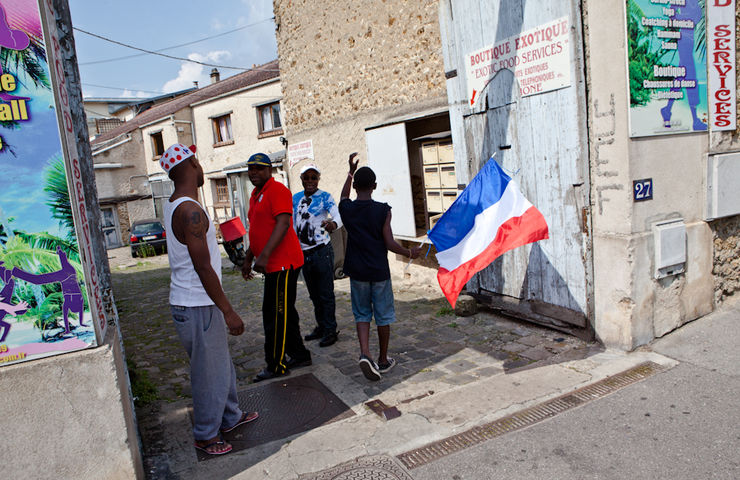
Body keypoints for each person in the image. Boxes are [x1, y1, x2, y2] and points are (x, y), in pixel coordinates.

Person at [160, 143, 257, 456]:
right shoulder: (190, 211)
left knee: (220, 365)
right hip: (196, 303)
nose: (202, 168)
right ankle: (205, 434)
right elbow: (202, 266)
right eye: (198, 162)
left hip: (196, 303)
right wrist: (228, 311)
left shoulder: (174, 202)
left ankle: (229, 417)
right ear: (191, 165)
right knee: (208, 373)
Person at [338, 153, 421, 381]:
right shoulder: (383, 210)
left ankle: (365, 353)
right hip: (379, 272)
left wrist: (350, 171)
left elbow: (343, 196)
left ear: (355, 187)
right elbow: (389, 243)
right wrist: (409, 252)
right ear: (374, 186)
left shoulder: (347, 209)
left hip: (357, 272)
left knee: (362, 314)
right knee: (383, 316)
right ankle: (383, 360)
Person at [242, 152, 312, 382]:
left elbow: (283, 224)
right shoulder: (255, 195)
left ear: (269, 170)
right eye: (251, 168)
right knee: (285, 312)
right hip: (271, 263)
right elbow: (258, 229)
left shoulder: (278, 190)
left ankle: (276, 364)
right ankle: (300, 355)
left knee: (275, 314)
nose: (254, 172)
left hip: (283, 263)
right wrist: (248, 256)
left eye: (259, 168)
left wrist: (263, 256)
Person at [292, 163, 342, 347]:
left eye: (314, 177)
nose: (310, 181)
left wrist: (333, 224)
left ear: (318, 179)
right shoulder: (295, 198)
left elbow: (338, 215)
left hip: (322, 251)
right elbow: (290, 222)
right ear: (302, 180)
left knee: (326, 293)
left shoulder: (325, 197)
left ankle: (330, 330)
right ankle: (321, 326)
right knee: (314, 294)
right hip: (303, 254)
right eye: (307, 177)